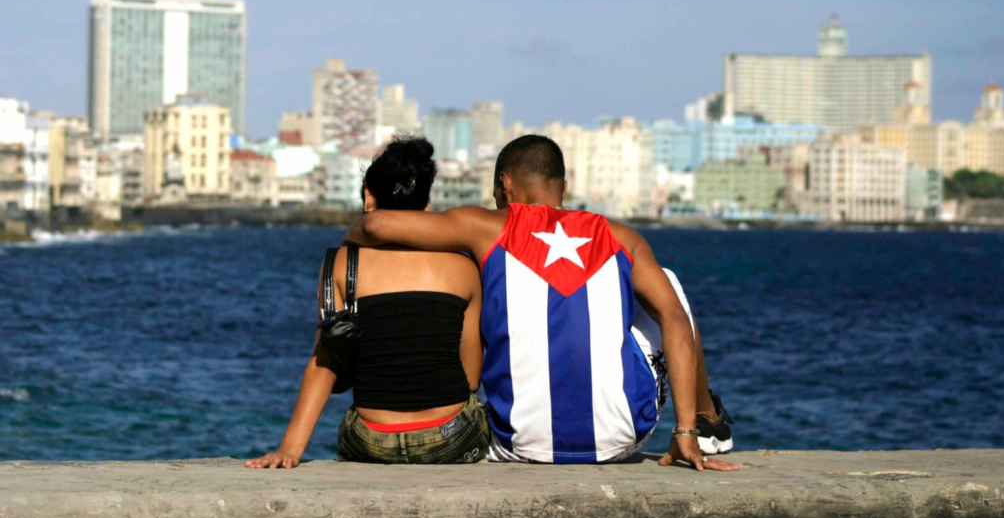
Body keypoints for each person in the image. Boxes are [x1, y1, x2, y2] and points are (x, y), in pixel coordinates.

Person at [344, 135, 738, 471]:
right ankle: (702, 424)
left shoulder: (486, 227)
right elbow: (673, 318)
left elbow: (376, 225)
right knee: (665, 291)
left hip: (513, 446)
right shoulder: (621, 236)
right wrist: (680, 429)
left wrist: (351, 244)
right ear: (562, 189)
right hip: (621, 441)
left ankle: (702, 419)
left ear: (504, 184)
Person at [246, 137, 489, 467]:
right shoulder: (464, 267)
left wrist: (289, 449)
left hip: (373, 440)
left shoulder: (342, 263)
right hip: (447, 437)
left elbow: (325, 361)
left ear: (368, 196)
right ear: (427, 205)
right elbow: (471, 378)